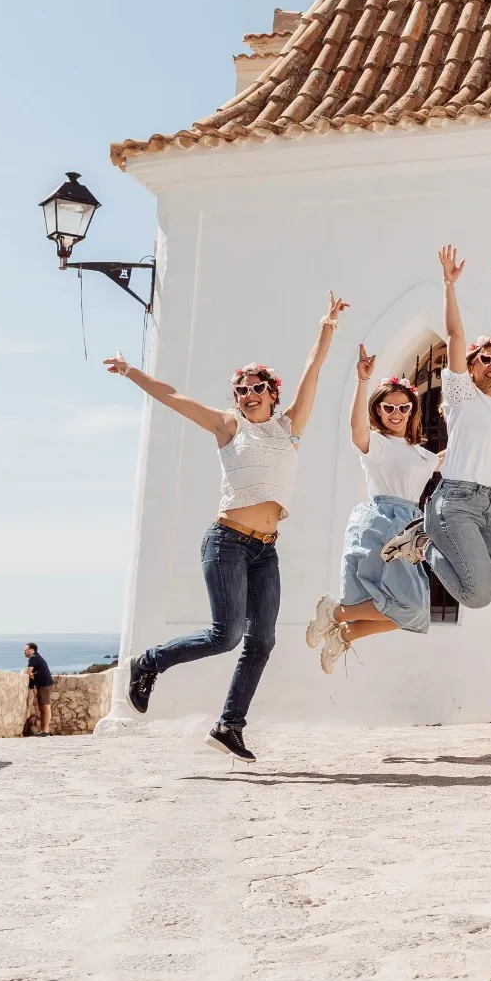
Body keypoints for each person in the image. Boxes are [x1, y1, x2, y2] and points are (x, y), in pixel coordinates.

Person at [107, 292, 348, 762]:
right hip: (227, 543)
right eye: (241, 389)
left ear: (273, 394)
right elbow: (173, 398)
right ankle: (148, 663)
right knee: (226, 634)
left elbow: (312, 370)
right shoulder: (228, 428)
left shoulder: (289, 428)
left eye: (258, 387)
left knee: (263, 640)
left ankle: (229, 726)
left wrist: (328, 325)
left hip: (266, 549)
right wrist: (130, 370)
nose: (249, 394)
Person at [382, 246, 491, 612]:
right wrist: (449, 285)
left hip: (484, 505)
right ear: (471, 364)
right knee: (477, 596)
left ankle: (425, 539)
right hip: (454, 503)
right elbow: (454, 334)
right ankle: (423, 544)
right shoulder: (462, 393)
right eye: (486, 358)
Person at [306, 346, 442, 672]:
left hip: (411, 525)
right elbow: (356, 430)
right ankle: (338, 612)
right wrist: (362, 380)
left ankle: (343, 630)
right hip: (382, 521)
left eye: (403, 407)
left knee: (414, 610)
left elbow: (452, 460)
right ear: (378, 411)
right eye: (388, 407)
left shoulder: (422, 455)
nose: (396, 413)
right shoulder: (377, 444)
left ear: (412, 410)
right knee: (400, 602)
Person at [24, 643, 54, 736]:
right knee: (42, 708)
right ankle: (44, 730)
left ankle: (45, 731)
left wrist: (31, 674)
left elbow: (28, 672)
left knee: (46, 707)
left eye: (26, 650)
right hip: (42, 684)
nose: (24, 652)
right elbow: (31, 673)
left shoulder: (33, 657)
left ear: (32, 650)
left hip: (44, 684)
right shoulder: (36, 657)